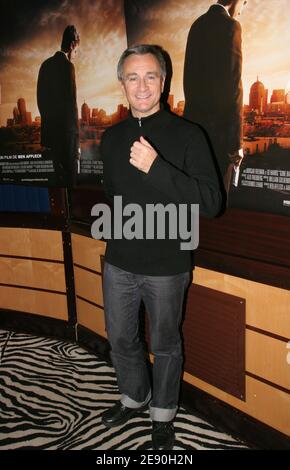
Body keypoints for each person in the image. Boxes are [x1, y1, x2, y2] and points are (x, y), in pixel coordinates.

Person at [100, 44, 222, 450]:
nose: (142, 85)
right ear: (122, 84)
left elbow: (211, 202)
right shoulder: (111, 137)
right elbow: (114, 195)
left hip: (168, 265)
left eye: (150, 75)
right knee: (120, 338)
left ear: (163, 81)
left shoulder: (189, 135)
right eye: (132, 77)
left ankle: (164, 414)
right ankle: (135, 397)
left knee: (166, 344)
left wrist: (157, 168)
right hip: (119, 260)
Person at [183, 0, 247, 194]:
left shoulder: (197, 25)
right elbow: (233, 87)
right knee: (218, 202)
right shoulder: (230, 26)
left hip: (194, 132)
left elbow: (189, 80)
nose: (242, 10)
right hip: (219, 138)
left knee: (197, 199)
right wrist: (236, 144)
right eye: (245, 4)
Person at [37, 25, 80, 188]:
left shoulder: (45, 65)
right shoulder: (68, 66)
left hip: (50, 135)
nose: (76, 54)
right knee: (70, 181)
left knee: (55, 182)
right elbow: (71, 105)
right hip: (67, 137)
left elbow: (40, 100)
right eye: (76, 50)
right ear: (72, 45)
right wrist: (76, 140)